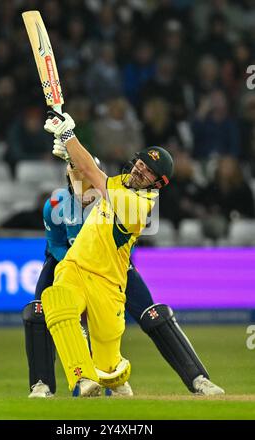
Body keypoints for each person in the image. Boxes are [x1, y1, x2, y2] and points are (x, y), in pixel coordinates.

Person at [30, 111, 224, 397]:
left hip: (109, 283)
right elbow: (86, 189)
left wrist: (69, 137)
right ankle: (81, 378)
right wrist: (70, 156)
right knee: (57, 302)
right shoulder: (121, 182)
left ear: (157, 184)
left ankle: (115, 374)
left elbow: (96, 179)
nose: (139, 171)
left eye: (148, 172)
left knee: (110, 367)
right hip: (76, 266)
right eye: (141, 164)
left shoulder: (138, 204)